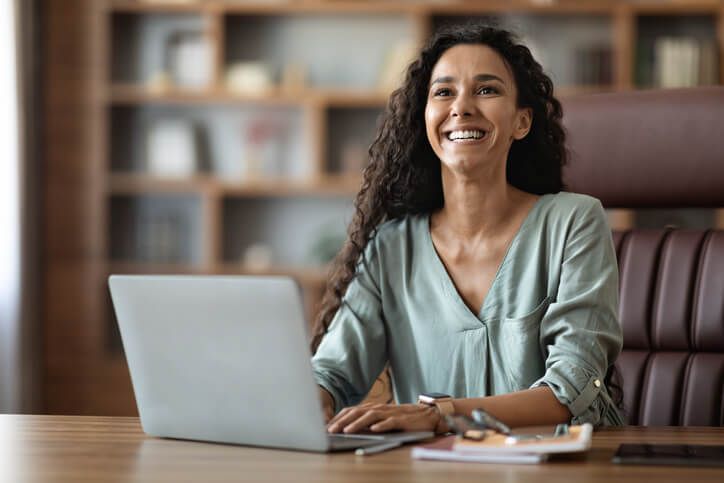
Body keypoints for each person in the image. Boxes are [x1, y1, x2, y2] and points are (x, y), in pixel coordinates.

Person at [310, 24, 624, 436]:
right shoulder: (391, 247)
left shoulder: (573, 222)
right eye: (443, 92)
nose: (461, 107)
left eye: (487, 90)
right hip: (435, 468)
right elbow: (332, 373)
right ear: (425, 118)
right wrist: (310, 402)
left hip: (556, 469)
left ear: (522, 122)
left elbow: (572, 388)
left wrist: (440, 414)